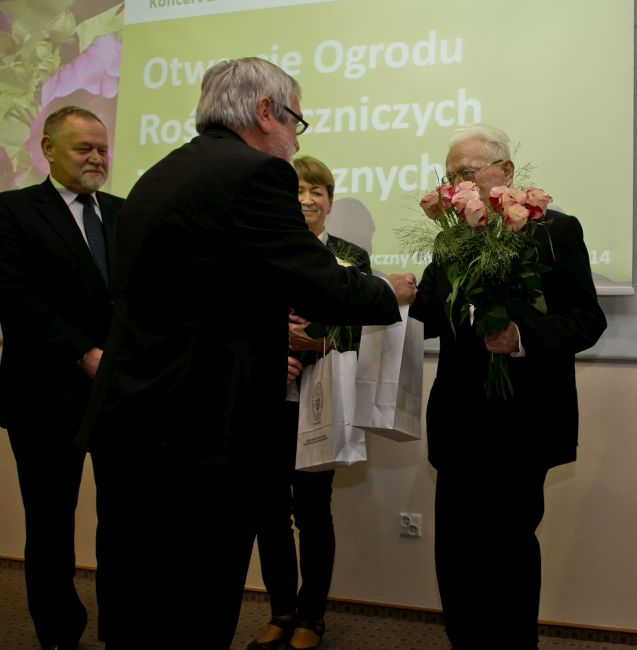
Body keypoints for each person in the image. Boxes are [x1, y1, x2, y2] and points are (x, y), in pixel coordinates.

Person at [77, 58, 416, 650]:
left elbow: (208, 294)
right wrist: (390, 291)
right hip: (200, 430)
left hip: (131, 420)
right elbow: (317, 283)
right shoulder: (256, 173)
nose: (295, 141)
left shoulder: (159, 174)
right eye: (296, 122)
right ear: (265, 112)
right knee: (197, 604)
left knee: (135, 596)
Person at [410, 124, 607, 647]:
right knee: (456, 554)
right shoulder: (451, 238)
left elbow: (588, 320)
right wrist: (405, 292)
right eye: (450, 176)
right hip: (458, 421)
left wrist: (521, 337)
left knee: (508, 552)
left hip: (522, 423)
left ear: (507, 172)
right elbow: (427, 316)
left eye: (467, 173)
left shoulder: (556, 231)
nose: (458, 185)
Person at [0, 105, 123, 649]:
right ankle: (58, 632)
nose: (97, 158)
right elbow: (14, 296)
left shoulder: (123, 213)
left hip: (118, 394)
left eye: (102, 148)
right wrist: (83, 353)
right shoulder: (12, 212)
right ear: (48, 149)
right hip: (44, 395)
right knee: (50, 523)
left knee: (123, 519)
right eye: (84, 148)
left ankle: (122, 626)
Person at [248, 155, 372, 650]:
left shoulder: (349, 256)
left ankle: (312, 615)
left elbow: (364, 325)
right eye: (297, 191)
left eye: (316, 191)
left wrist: (318, 342)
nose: (306, 200)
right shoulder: (260, 250)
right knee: (268, 512)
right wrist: (272, 348)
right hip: (267, 400)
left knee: (314, 511)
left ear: (330, 201)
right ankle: (281, 610)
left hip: (322, 401)